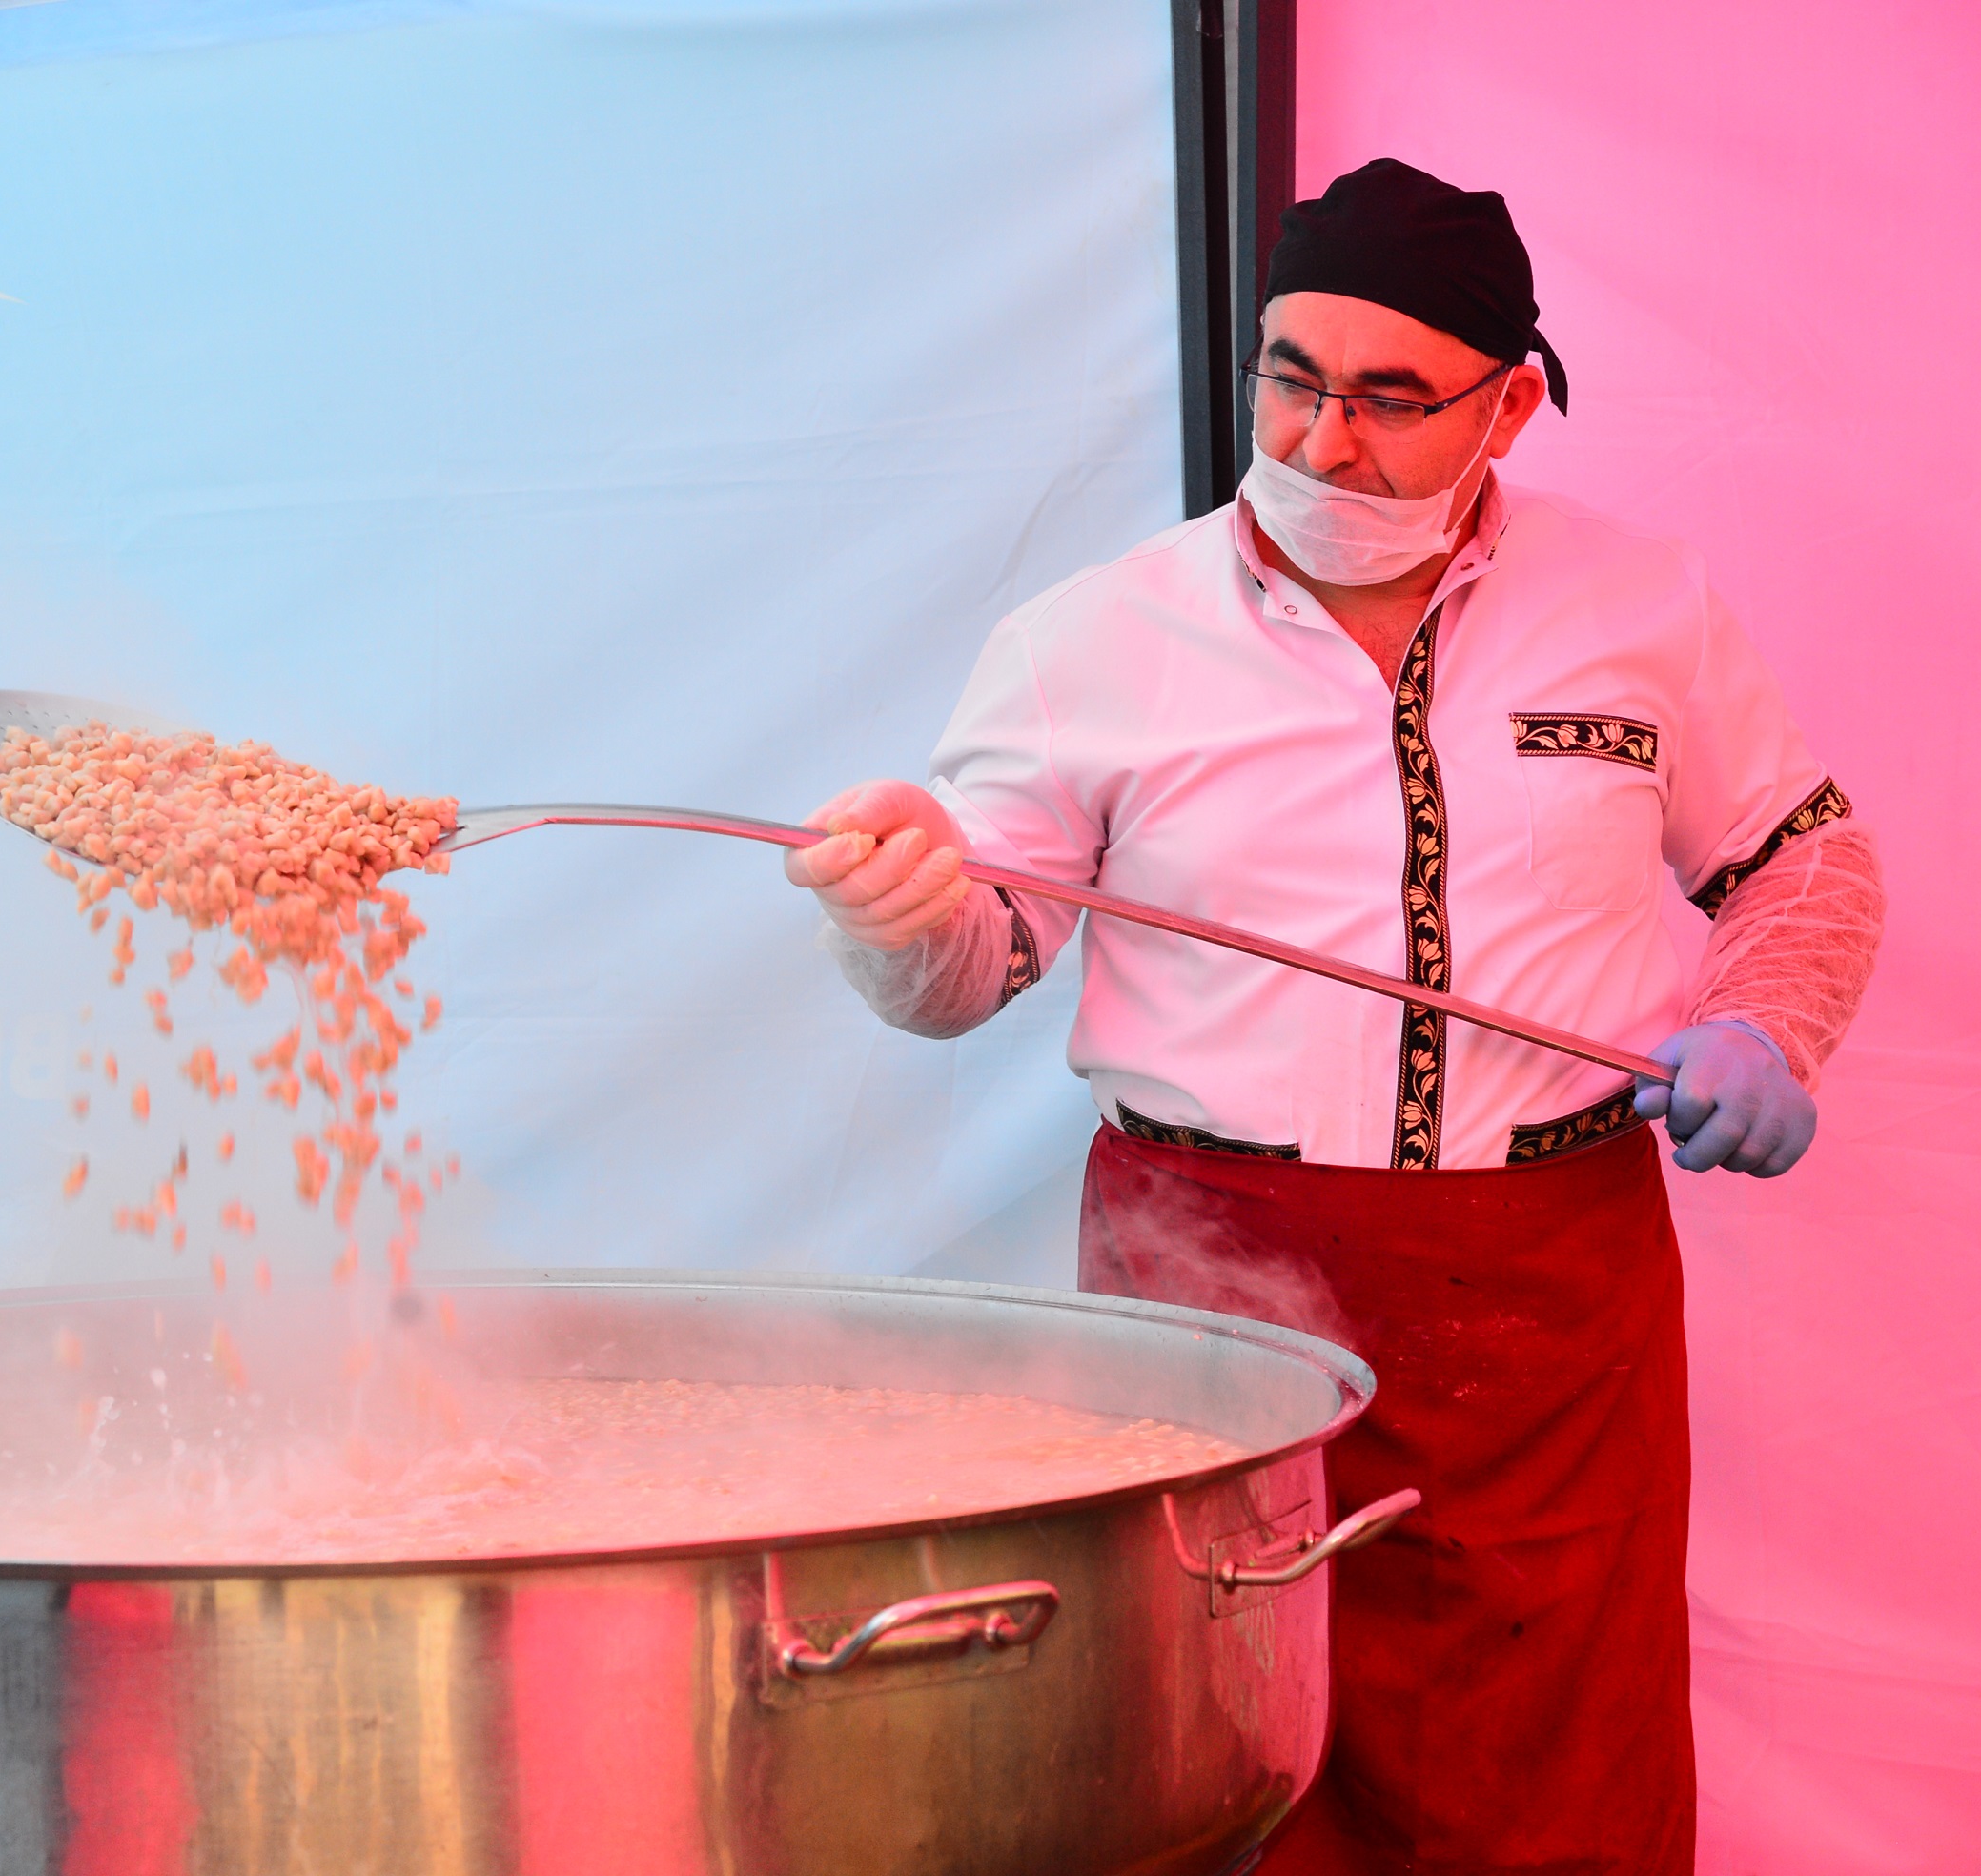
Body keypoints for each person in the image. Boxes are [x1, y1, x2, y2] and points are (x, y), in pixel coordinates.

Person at [787, 158, 1884, 1875]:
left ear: (1507, 404)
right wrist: (898, 919)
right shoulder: (1090, 641)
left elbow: (1802, 858)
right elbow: (972, 970)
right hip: (1207, 1291)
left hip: (1554, 1307)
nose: (1319, 442)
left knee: (1558, 1776)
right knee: (1213, 1755)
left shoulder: (1640, 608)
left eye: (1390, 398)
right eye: (1289, 379)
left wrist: (1768, 1018)